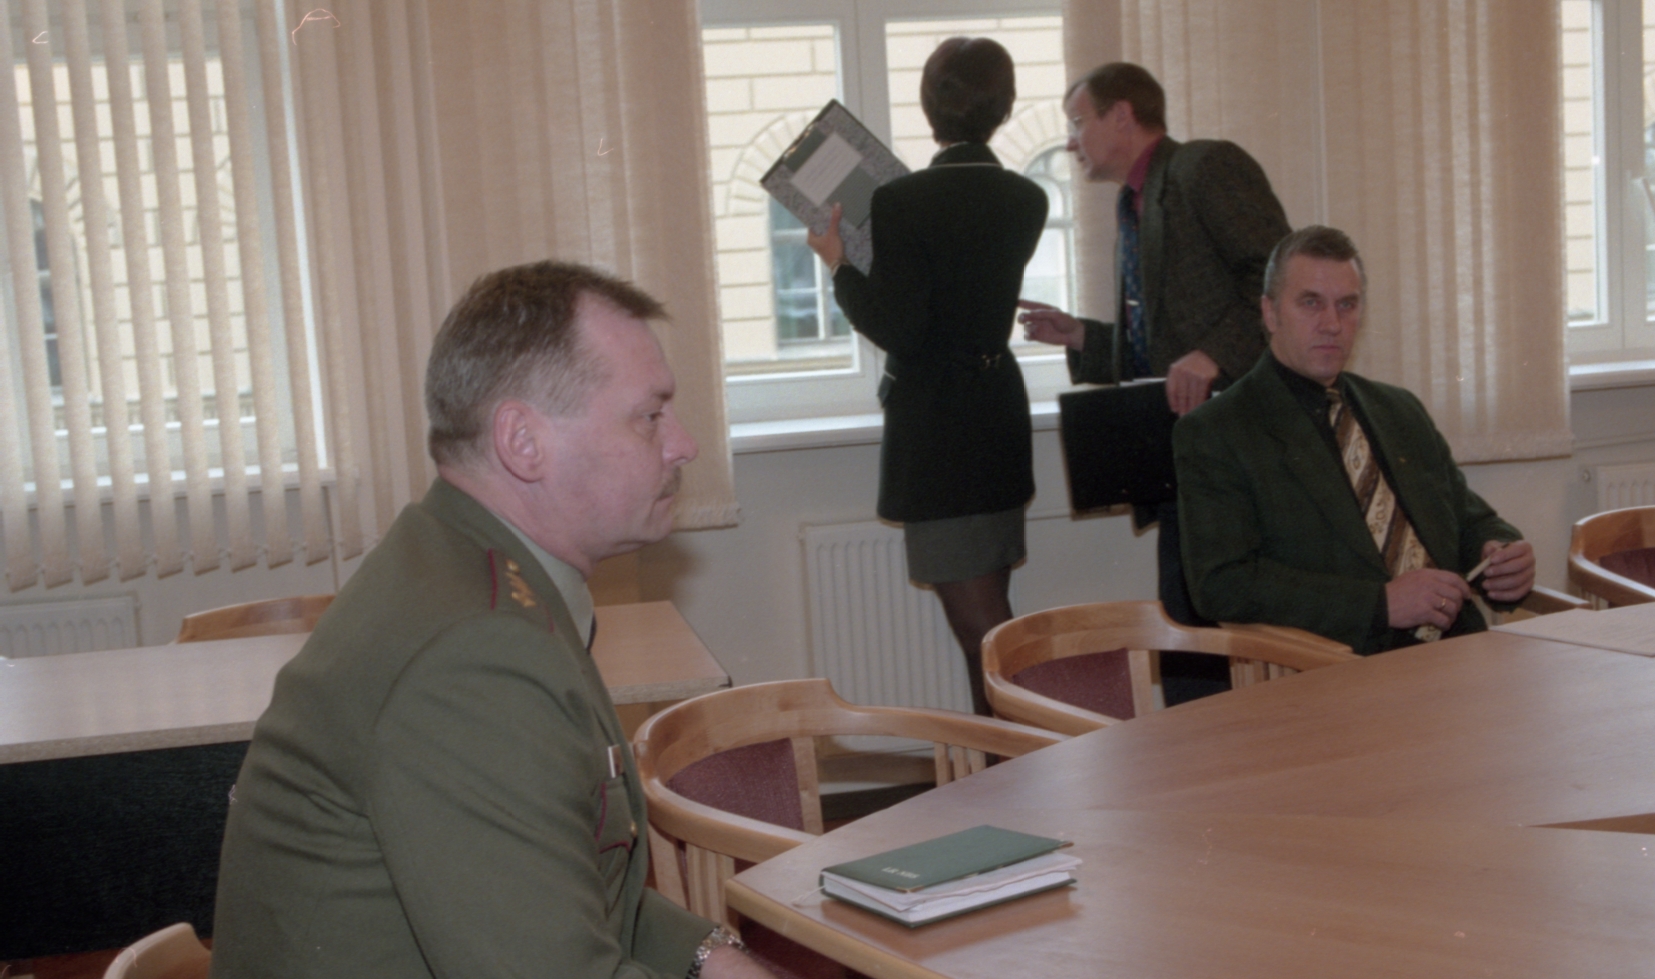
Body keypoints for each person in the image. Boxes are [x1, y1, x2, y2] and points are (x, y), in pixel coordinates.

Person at [209, 262, 773, 979]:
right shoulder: (473, 652)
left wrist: (711, 956)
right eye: (650, 415)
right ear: (523, 442)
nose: (683, 443)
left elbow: (564, 888)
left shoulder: (458, 566)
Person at [1016, 61, 1290, 701]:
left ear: (1122, 116)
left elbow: (1280, 278)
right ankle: (1199, 748)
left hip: (1239, 451)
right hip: (1184, 455)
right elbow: (1158, 348)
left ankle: (1217, 748)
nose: (1070, 141)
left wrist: (1214, 355)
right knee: (1186, 627)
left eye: (1077, 122)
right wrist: (1083, 337)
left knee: (1210, 630)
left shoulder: (1204, 167)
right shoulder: (1132, 202)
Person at [805, 37, 1048, 715]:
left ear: (928, 106)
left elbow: (900, 327)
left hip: (938, 427)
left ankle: (1034, 761)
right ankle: (1013, 764)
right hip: (996, 412)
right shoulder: (1027, 198)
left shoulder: (901, 202)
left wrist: (838, 263)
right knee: (989, 628)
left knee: (986, 638)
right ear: (1005, 108)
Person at [1172, 226, 1536, 655]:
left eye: (1347, 305)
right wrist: (1379, 605)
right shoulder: (1218, 431)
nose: (1332, 324)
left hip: (1463, 653)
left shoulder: (1398, 410)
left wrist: (1500, 554)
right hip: (1342, 669)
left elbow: (1468, 520)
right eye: (1311, 303)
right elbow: (1222, 584)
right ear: (1270, 313)